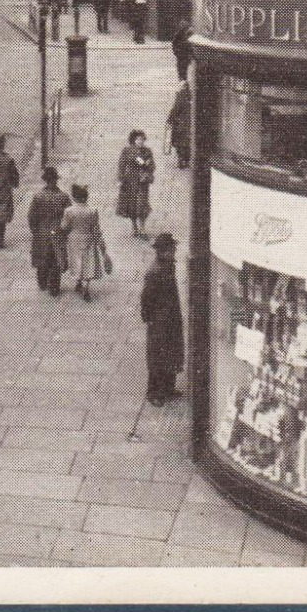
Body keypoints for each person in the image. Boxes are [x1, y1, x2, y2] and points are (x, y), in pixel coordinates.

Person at [141, 234, 185, 405]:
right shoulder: (155, 272)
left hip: (171, 317)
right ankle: (154, 393)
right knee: (158, 356)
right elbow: (146, 298)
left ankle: (168, 388)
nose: (174, 251)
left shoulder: (168, 266)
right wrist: (149, 318)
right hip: (159, 320)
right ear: (162, 251)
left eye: (173, 249)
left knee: (171, 353)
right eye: (171, 249)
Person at [60, 183, 112, 301]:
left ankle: (78, 282)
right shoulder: (92, 211)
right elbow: (96, 229)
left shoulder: (69, 211)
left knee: (77, 261)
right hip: (88, 239)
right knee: (88, 263)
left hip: (74, 240)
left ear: (74, 197)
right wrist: (100, 242)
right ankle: (87, 288)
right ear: (86, 197)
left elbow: (64, 227)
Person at [26, 164, 72, 296]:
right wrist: (65, 232)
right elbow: (69, 216)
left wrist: (34, 230)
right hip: (57, 232)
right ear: (56, 180)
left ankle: (42, 281)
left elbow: (31, 216)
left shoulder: (38, 197)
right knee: (56, 259)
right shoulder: (63, 197)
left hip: (42, 232)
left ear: (45, 180)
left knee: (42, 258)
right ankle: (54, 286)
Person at [116, 129, 157, 237]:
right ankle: (134, 227)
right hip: (129, 181)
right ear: (133, 140)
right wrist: (120, 179)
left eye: (142, 139)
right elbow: (121, 166)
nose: (140, 141)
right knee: (131, 205)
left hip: (142, 182)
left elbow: (152, 166)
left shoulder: (147, 151)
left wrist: (148, 166)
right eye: (138, 139)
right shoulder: (127, 150)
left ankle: (142, 229)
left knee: (142, 205)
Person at [166, 82, 192, 170]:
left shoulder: (181, 95)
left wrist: (169, 119)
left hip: (181, 124)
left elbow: (176, 109)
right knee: (188, 143)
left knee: (179, 142)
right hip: (191, 124)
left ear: (183, 87)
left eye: (180, 86)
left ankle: (182, 160)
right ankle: (187, 160)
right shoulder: (193, 94)